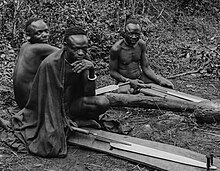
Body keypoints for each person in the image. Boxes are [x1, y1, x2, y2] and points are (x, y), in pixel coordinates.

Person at [12, 26, 110, 157]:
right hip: (51, 108)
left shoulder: (83, 61)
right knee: (51, 143)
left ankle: (73, 121)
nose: (81, 53)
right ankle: (69, 123)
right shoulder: (51, 64)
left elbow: (89, 94)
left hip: (71, 106)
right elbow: (47, 99)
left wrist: (91, 71)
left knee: (103, 102)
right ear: (65, 46)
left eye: (84, 49)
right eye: (76, 49)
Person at [109, 18, 174, 93]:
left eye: (137, 34)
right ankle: (135, 91)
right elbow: (112, 72)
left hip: (140, 77)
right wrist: (129, 80)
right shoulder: (116, 49)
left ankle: (139, 90)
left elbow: (145, 67)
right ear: (125, 33)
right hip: (125, 81)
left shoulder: (141, 44)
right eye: (131, 33)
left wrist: (158, 80)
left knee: (167, 86)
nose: (134, 37)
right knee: (124, 92)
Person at [13, 17, 59, 109]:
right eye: (39, 33)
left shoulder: (25, 46)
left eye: (46, 31)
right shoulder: (39, 48)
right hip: (30, 103)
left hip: (21, 101)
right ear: (28, 36)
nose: (45, 35)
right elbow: (69, 53)